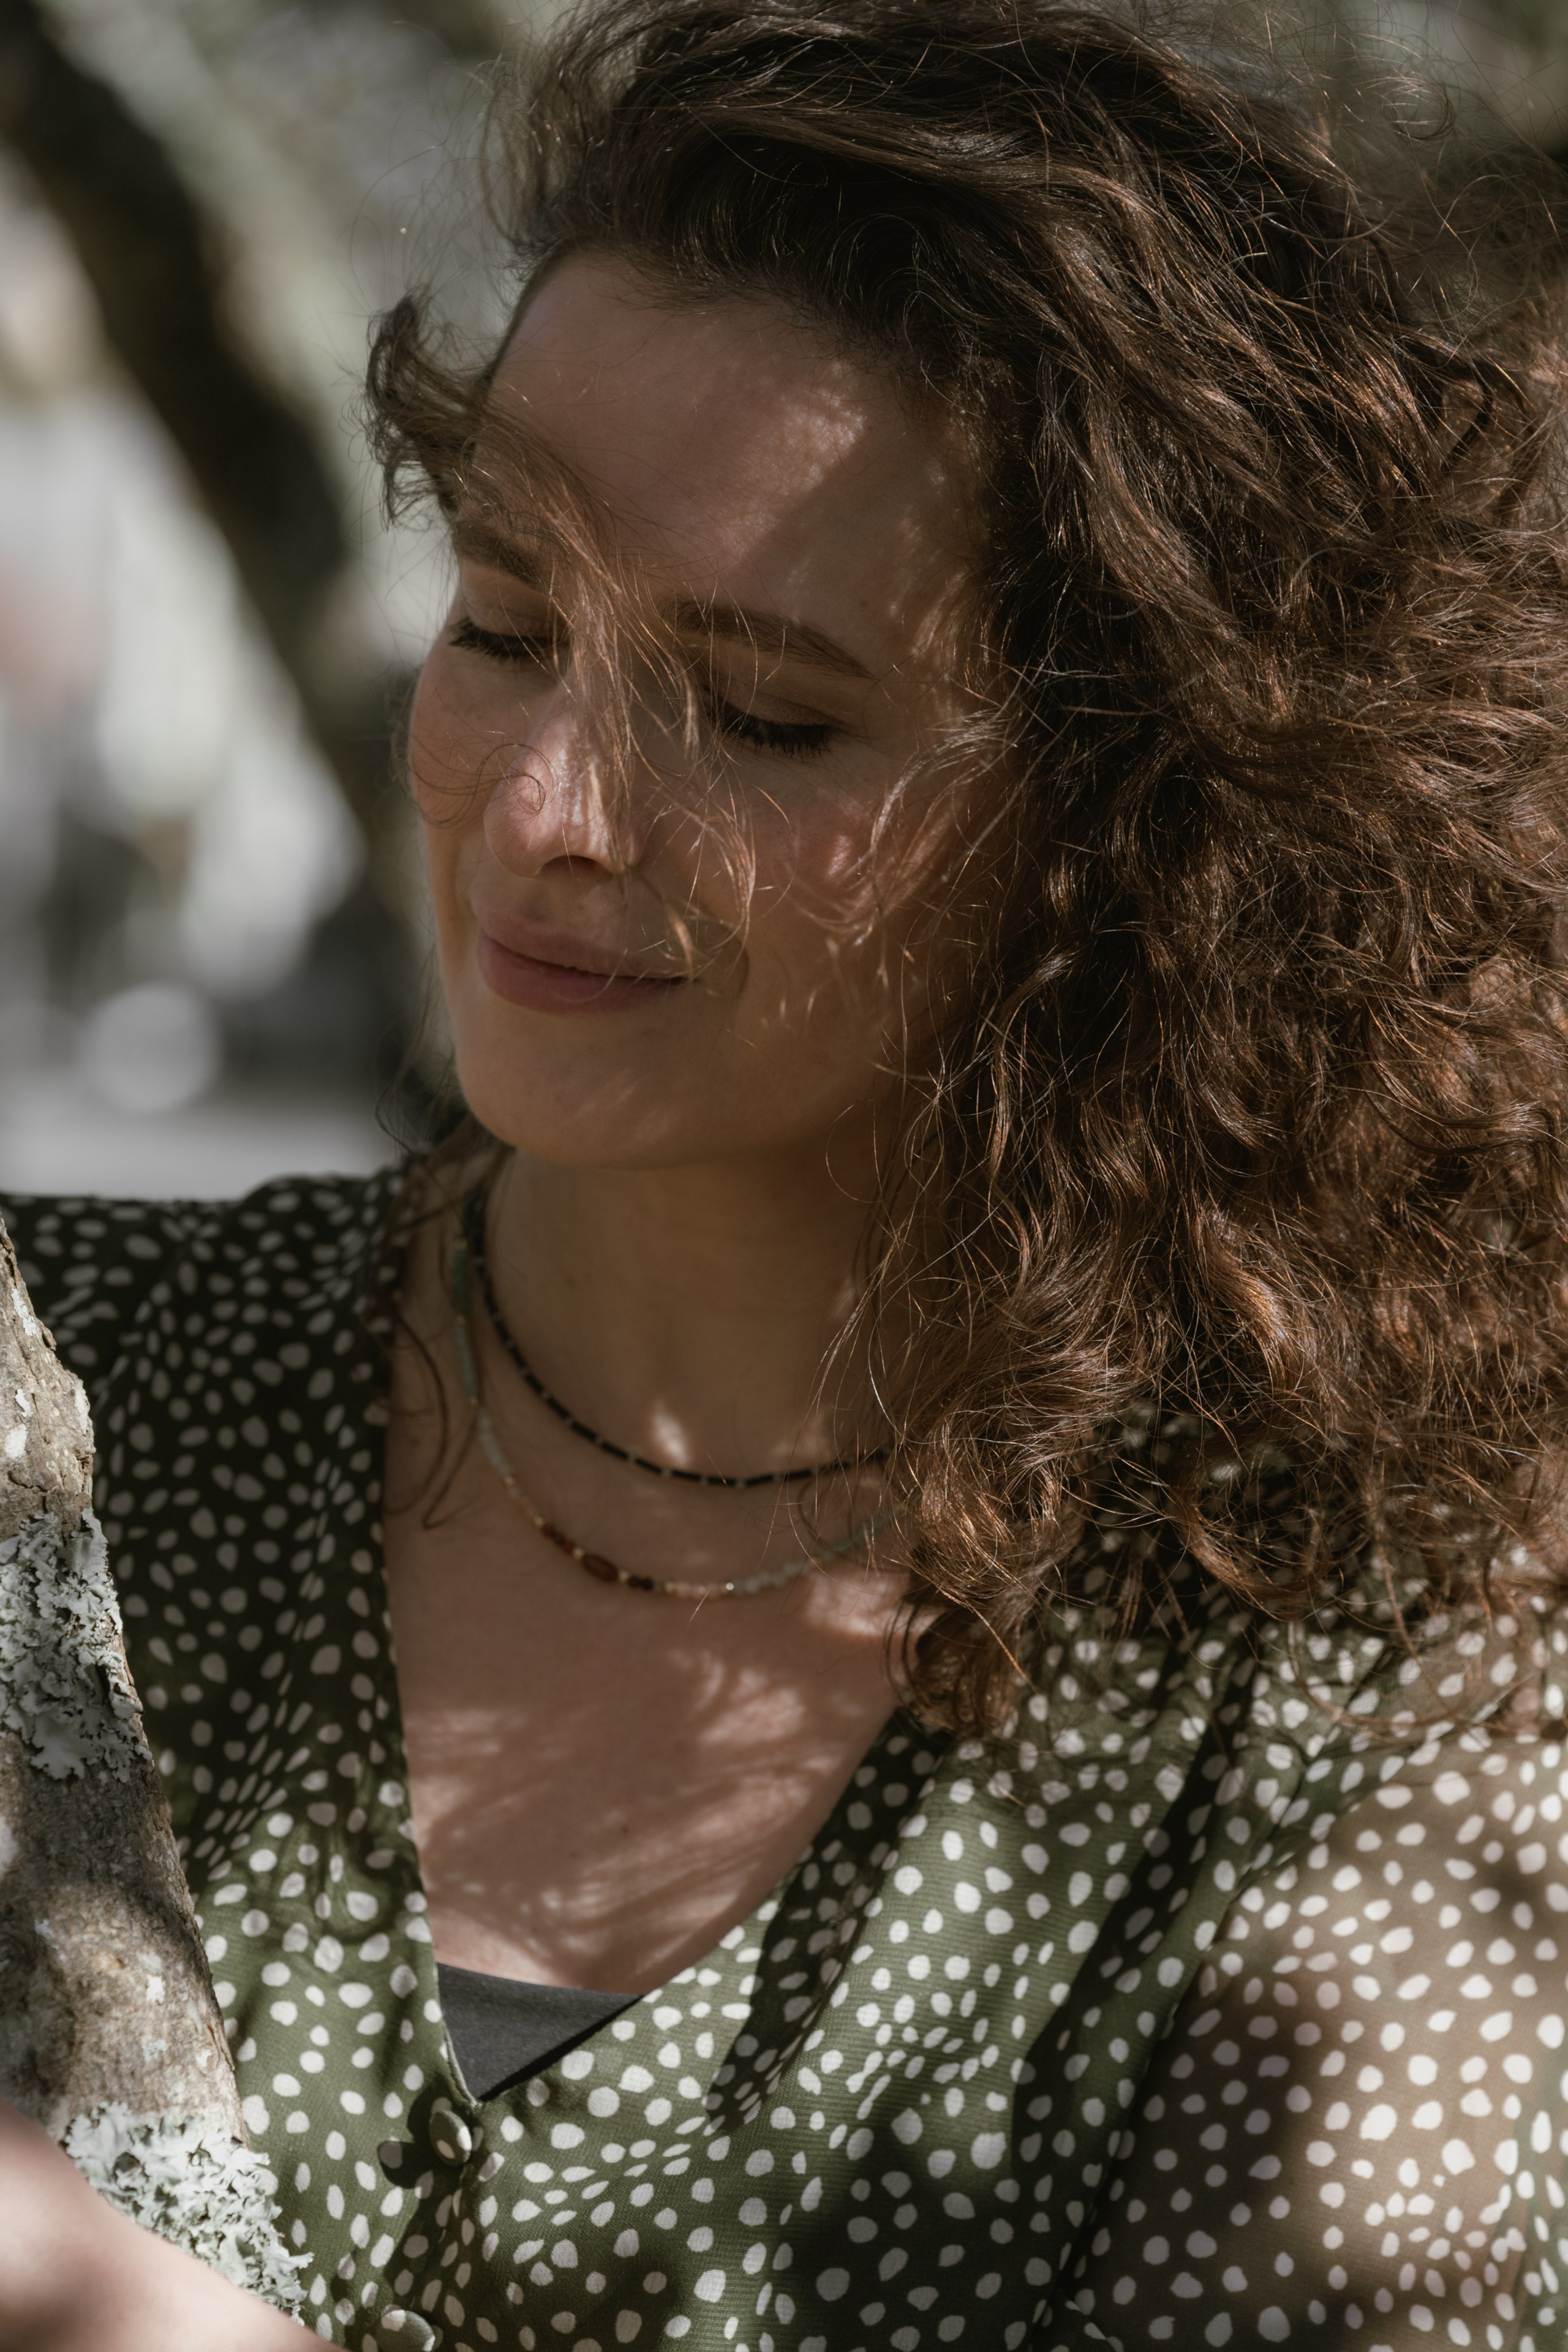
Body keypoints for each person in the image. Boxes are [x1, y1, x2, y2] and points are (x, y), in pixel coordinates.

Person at [6, 1, 1568, 2345]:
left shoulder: (1373, 1658)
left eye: (765, 715)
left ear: (1139, 820)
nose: (545, 807)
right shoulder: (71, 1395)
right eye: (509, 616)